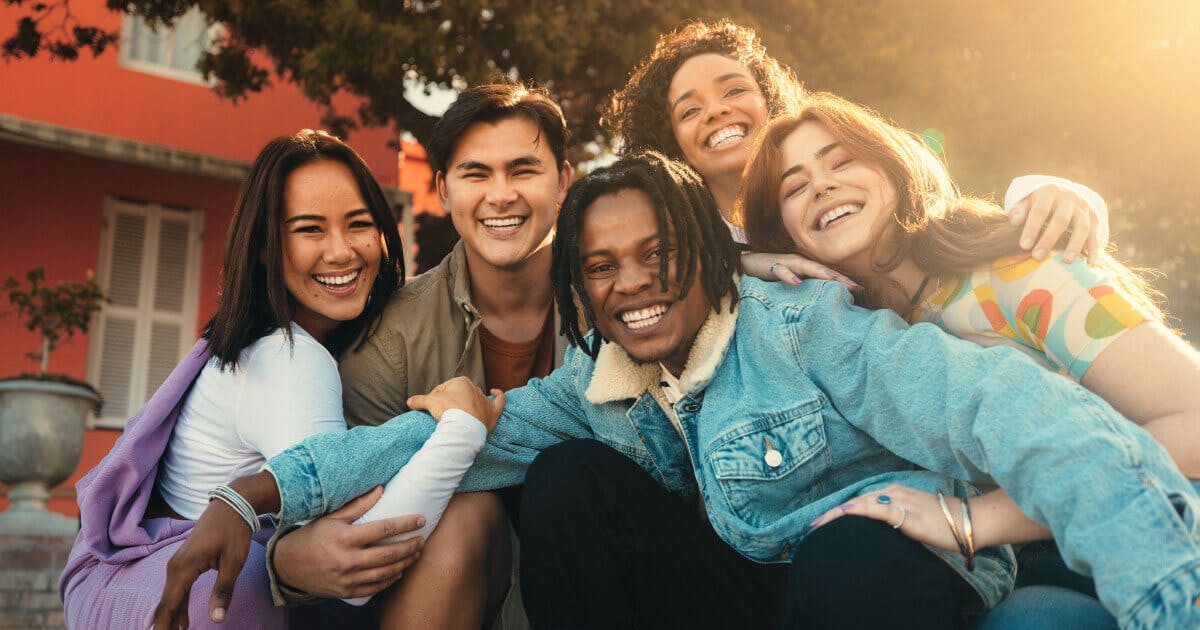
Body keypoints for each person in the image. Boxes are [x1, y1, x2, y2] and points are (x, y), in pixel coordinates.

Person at [155, 152, 1200, 630]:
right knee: (561, 476)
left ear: (708, 251)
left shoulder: (808, 326)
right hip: (753, 589)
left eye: (658, 252)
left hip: (880, 575)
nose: (635, 283)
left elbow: (1023, 418)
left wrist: (1166, 599)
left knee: (845, 556)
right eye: (603, 266)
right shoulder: (595, 382)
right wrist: (251, 499)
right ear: (581, 287)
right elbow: (426, 439)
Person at [736, 93, 1200, 628]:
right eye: (794, 187)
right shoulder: (841, 347)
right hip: (1007, 575)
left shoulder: (1017, 272)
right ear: (784, 234)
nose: (821, 185)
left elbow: (1190, 421)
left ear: (894, 168)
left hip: (1153, 527)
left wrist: (971, 520)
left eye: (841, 162)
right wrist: (748, 262)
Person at [58, 130, 490, 629]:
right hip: (180, 598)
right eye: (310, 230)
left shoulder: (289, 341)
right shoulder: (290, 358)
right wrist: (457, 428)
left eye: (359, 224)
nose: (341, 251)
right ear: (265, 247)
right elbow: (356, 549)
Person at [267, 82, 571, 630]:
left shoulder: (616, 298)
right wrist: (285, 557)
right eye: (476, 174)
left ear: (564, 182)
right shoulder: (391, 335)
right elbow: (357, 508)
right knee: (465, 512)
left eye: (523, 170)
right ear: (444, 191)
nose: (501, 195)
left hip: (592, 567)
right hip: (441, 583)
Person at [603, 19, 1110, 281]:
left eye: (734, 90)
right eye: (689, 111)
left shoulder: (843, 191)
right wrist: (736, 265)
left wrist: (1046, 191)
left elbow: (940, 215)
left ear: (771, 101)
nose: (715, 112)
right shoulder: (674, 243)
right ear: (673, 145)